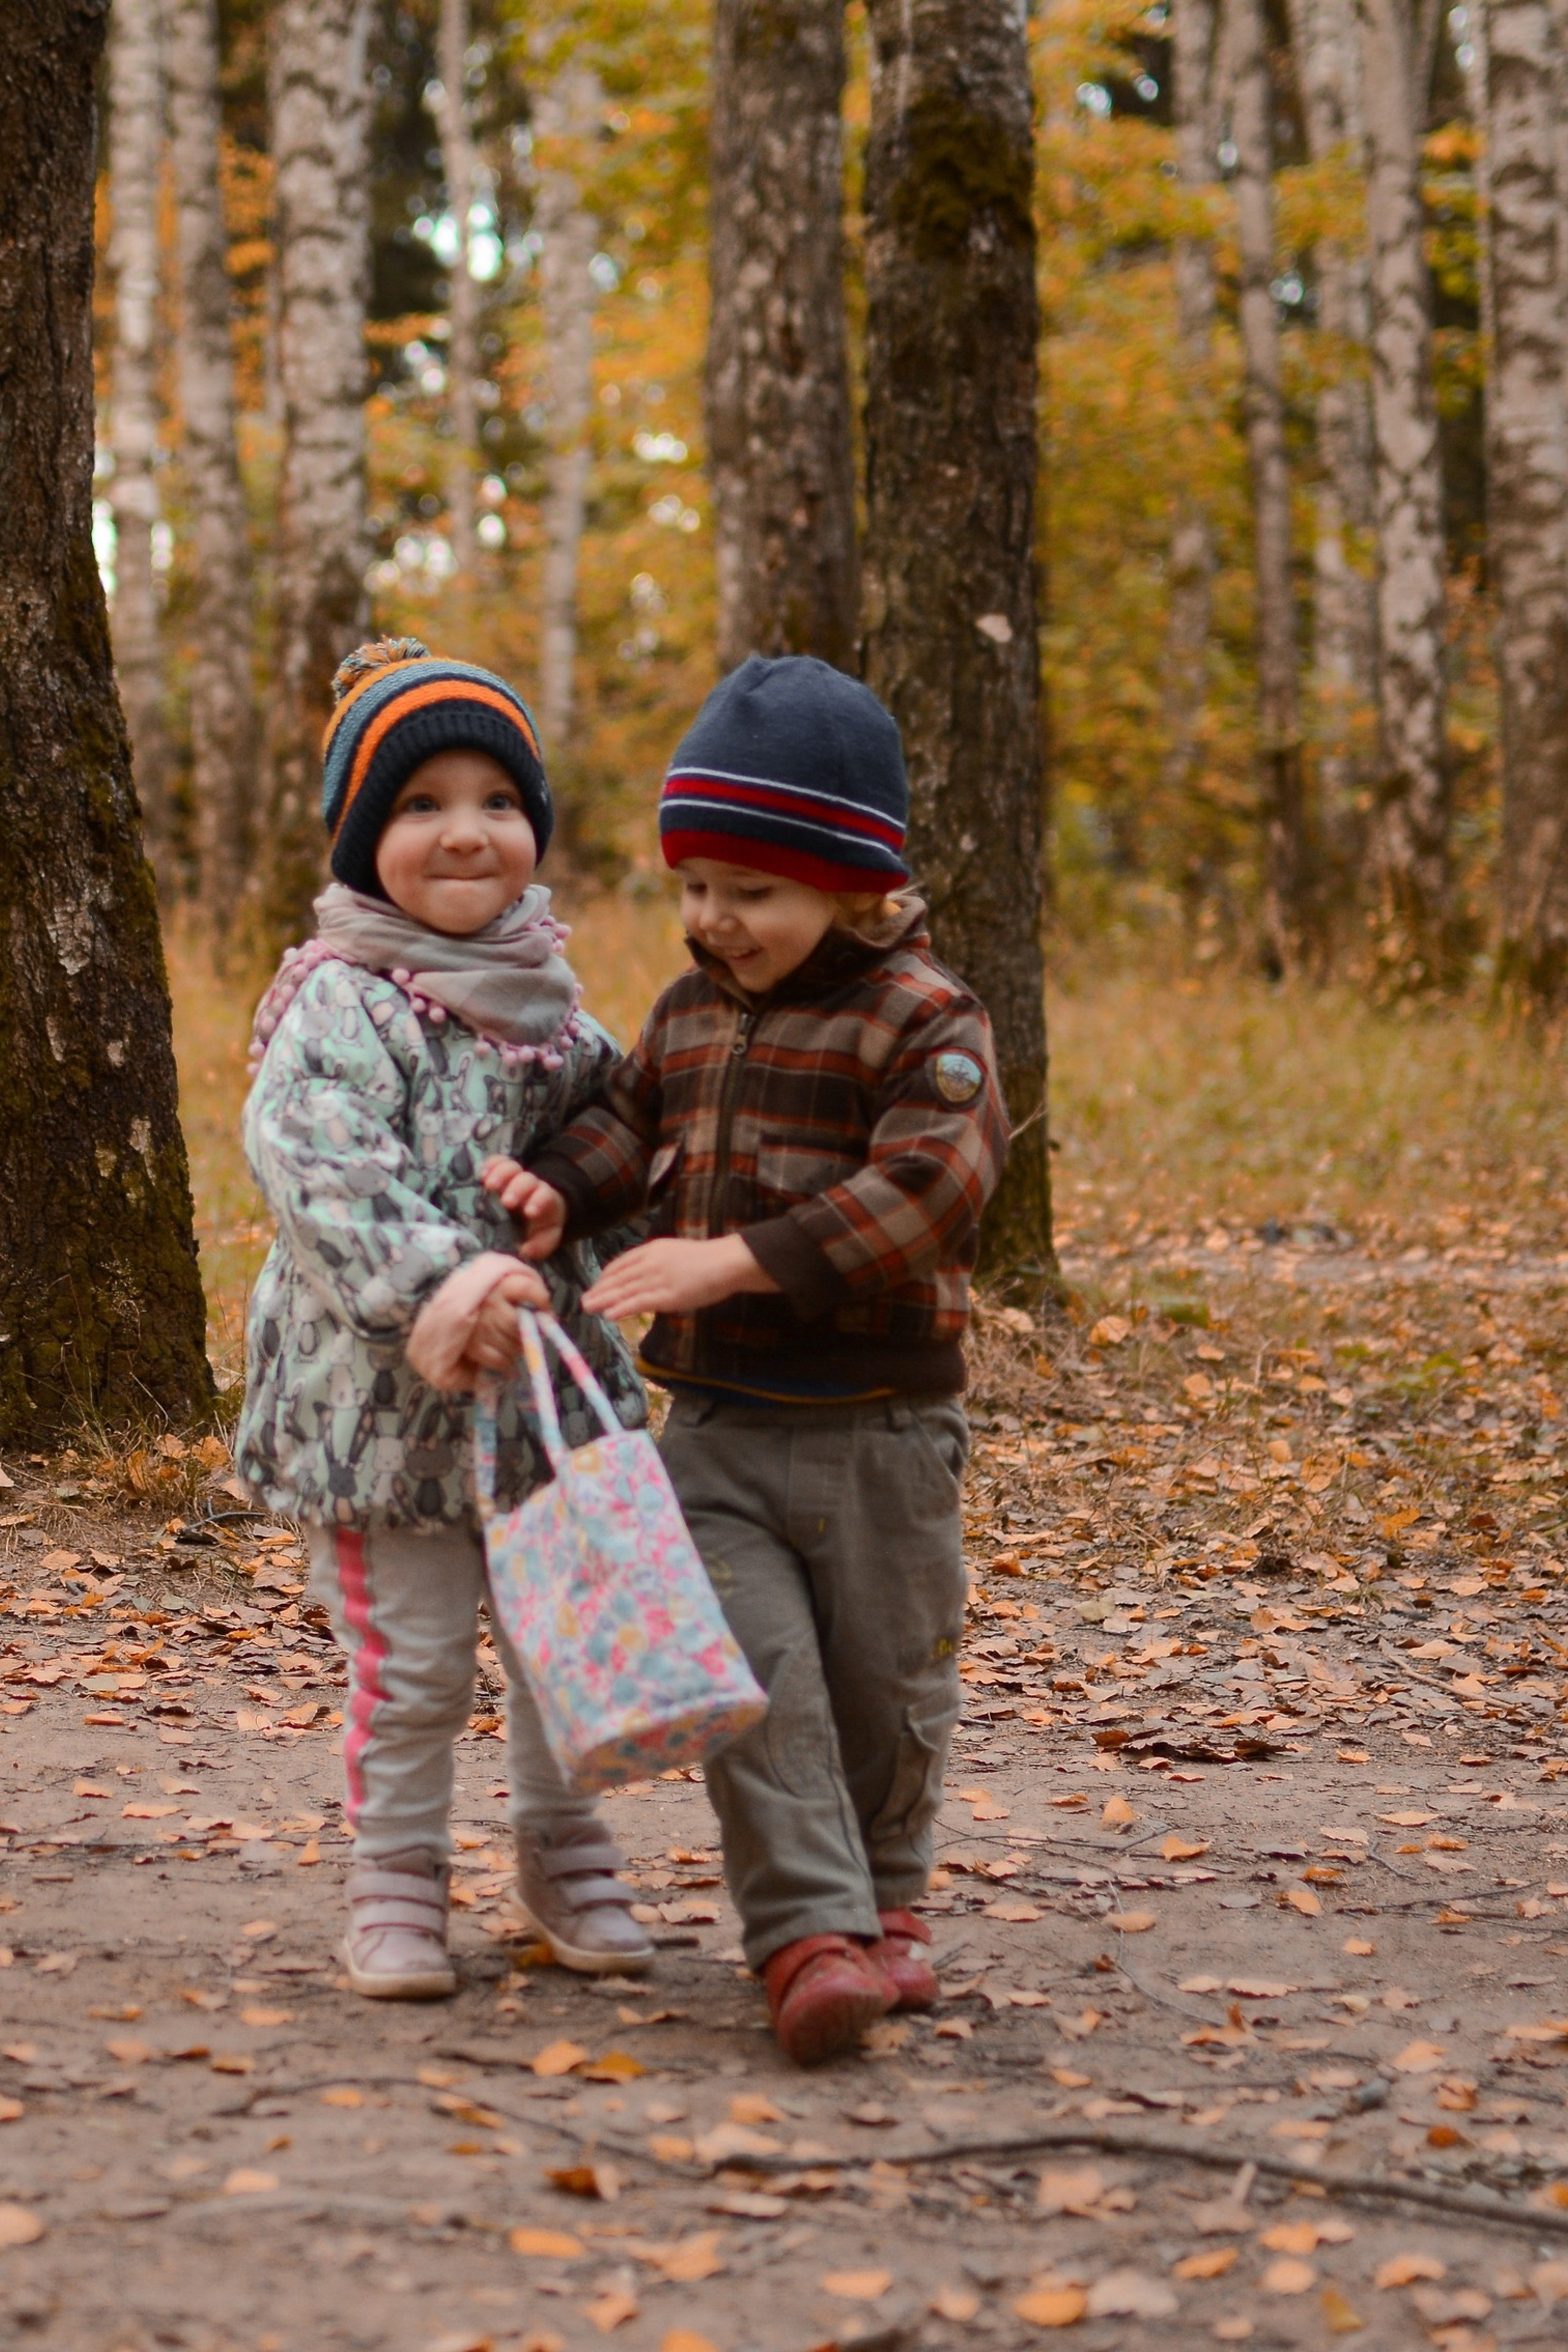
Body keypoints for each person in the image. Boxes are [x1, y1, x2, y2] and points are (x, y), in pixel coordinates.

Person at [481, 654, 1008, 2062]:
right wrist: (558, 1189)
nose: (714, 922)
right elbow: (618, 1121)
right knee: (757, 1688)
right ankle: (807, 1940)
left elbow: (930, 1191)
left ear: (854, 885)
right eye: (693, 887)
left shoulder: (924, 1020)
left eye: (751, 892)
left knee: (884, 1691)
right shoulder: (687, 1010)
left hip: (883, 1432)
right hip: (711, 1429)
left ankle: (889, 1905)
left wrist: (736, 1258)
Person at [237, 637, 654, 1999]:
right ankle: (395, 1877)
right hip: (378, 1427)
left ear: (534, 827)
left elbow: (619, 1150)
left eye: (494, 799)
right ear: (366, 843)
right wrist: (448, 1284)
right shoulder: (339, 1002)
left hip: (544, 1410)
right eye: (418, 806)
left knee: (559, 1654)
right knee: (414, 1668)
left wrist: (650, 1244)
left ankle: (564, 1849)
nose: (463, 832)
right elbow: (321, 1172)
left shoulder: (559, 1008)